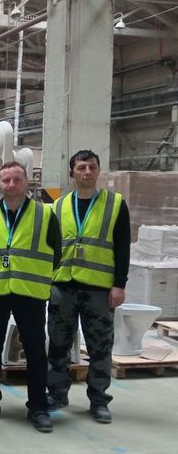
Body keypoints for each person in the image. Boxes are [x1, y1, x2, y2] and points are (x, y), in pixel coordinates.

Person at [0, 161, 61, 433]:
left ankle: (38, 407)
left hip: (30, 292)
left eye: (17, 179)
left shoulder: (45, 213)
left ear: (27, 182)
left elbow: (56, 252)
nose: (11, 185)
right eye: (6, 180)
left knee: (35, 350)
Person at [47, 150, 130, 424]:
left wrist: (119, 285)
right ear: (72, 172)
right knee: (58, 343)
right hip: (63, 285)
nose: (87, 172)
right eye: (82, 167)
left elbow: (122, 247)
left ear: (98, 170)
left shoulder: (115, 204)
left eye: (92, 167)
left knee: (100, 346)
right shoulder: (58, 206)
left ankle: (99, 400)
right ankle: (57, 393)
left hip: (98, 288)